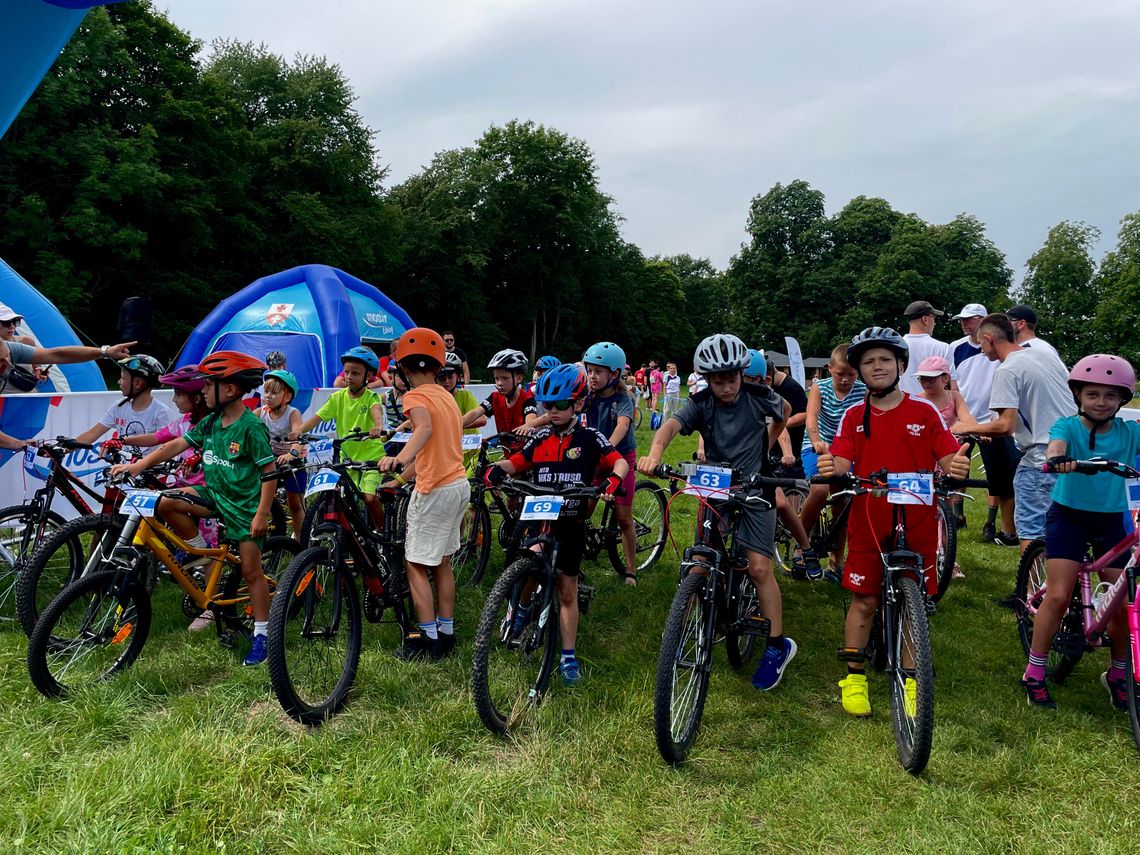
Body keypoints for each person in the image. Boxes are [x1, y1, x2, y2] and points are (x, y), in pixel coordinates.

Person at [816, 327, 969, 717]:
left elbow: (948, 455)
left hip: (917, 515)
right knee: (864, 600)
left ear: (901, 364)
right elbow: (845, 460)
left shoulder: (924, 410)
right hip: (869, 514)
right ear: (860, 370)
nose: (877, 366)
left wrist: (957, 465)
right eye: (868, 361)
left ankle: (914, 679)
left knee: (913, 598)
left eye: (885, 359)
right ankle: (853, 678)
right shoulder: (854, 415)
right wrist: (834, 466)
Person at [638, 333, 797, 692]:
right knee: (700, 561)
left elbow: (784, 413)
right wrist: (655, 454)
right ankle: (691, 622)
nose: (726, 388)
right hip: (716, 487)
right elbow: (669, 427)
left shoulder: (758, 397)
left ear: (742, 374)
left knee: (758, 566)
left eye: (731, 379)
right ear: (707, 379)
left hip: (755, 487)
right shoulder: (702, 402)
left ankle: (777, 646)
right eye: (717, 381)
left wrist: (765, 446)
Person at [111, 352, 277, 665]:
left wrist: (261, 515)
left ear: (230, 390)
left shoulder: (251, 427)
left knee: (252, 572)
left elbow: (269, 475)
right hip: (213, 493)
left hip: (244, 507)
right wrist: (139, 465)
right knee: (165, 500)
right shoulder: (212, 421)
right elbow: (175, 445)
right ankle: (196, 551)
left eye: (209, 384)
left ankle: (262, 636)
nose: (201, 391)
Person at [486, 363, 627, 685]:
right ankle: (520, 611)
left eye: (560, 405)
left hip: (572, 519)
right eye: (546, 406)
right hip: (540, 515)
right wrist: (499, 469)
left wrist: (614, 480)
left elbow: (617, 461)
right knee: (528, 563)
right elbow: (520, 460)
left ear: (578, 403)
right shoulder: (541, 437)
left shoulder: (590, 438)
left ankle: (567, 655)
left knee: (566, 590)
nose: (552, 412)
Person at [1020, 354, 1140, 710]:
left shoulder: (1130, 432)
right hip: (1069, 515)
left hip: (1112, 519)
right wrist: (1060, 458)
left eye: (1109, 395)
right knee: (1057, 595)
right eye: (1092, 395)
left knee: (1122, 601)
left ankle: (1119, 674)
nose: (1101, 402)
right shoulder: (1067, 426)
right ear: (1078, 396)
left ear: (1122, 400)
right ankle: (1035, 672)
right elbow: (1056, 444)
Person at [378, 327, 468, 661]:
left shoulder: (414, 397)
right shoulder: (446, 396)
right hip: (458, 485)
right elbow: (436, 449)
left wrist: (397, 458)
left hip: (435, 491)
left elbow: (424, 432)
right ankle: (446, 632)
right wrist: (401, 479)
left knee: (415, 563)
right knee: (442, 562)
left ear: (402, 367)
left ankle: (428, 640)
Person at [953, 314, 1077, 554]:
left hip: (1041, 458)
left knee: (1033, 534)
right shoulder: (1042, 356)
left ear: (989, 339)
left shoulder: (1007, 369)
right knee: (1065, 529)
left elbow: (1005, 426)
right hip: (1072, 451)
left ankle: (1030, 590)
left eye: (981, 345)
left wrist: (966, 427)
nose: (982, 352)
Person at [744, 349, 819, 580]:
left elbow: (783, 425)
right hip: (740, 459)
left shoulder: (773, 394)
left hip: (765, 456)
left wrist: (786, 452)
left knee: (783, 504)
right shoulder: (733, 396)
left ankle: (806, 549)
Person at [294, 347, 387, 530]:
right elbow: (316, 418)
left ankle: (382, 533)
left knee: (369, 498)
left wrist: (378, 427)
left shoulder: (371, 398)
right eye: (347, 372)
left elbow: (377, 413)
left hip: (371, 459)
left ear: (368, 375)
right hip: (347, 459)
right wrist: (298, 431)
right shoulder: (337, 398)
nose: (349, 377)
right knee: (342, 498)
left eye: (355, 373)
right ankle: (354, 534)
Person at [950, 303, 1017, 543]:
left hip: (993, 420)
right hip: (965, 419)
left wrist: (999, 415)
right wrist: (960, 413)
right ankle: (956, 517)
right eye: (962, 319)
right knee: (957, 470)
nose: (964, 323)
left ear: (982, 320)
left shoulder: (1000, 348)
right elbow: (954, 383)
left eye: (969, 319)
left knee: (996, 475)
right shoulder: (955, 347)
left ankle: (991, 522)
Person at [797, 344, 867, 571]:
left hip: (846, 451)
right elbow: (811, 417)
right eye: (840, 374)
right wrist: (816, 440)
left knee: (844, 500)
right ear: (829, 369)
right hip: (817, 447)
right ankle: (802, 543)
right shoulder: (821, 387)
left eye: (851, 374)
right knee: (818, 489)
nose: (846, 379)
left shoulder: (863, 391)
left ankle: (837, 559)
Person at [581, 342, 640, 585]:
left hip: (621, 457)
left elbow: (623, 425)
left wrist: (606, 448)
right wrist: (533, 425)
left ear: (614, 374)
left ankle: (631, 569)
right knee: (581, 509)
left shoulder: (622, 398)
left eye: (598, 371)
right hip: (597, 457)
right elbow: (563, 412)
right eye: (590, 370)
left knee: (624, 517)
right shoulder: (588, 396)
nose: (592, 376)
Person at [74, 355, 175, 444]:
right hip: (122, 465)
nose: (118, 381)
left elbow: (167, 446)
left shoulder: (162, 413)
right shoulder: (118, 407)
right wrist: (64, 448)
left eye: (123, 378)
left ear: (137, 383)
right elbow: (92, 433)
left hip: (149, 465)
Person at [255, 369, 306, 539]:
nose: (268, 396)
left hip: (293, 462)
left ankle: (301, 540)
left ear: (287, 397)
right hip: (271, 462)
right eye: (266, 391)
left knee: (296, 505)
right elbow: (244, 427)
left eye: (274, 392)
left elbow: (299, 440)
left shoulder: (293, 413)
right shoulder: (260, 412)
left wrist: (291, 454)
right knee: (259, 497)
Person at [462, 349, 543, 437]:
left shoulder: (527, 399)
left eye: (505, 378)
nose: (500, 383)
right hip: (502, 448)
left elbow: (531, 419)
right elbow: (474, 413)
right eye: (496, 378)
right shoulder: (494, 397)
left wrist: (528, 427)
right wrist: (456, 424)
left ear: (519, 378)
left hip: (524, 449)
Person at [437, 350, 485, 471]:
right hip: (446, 453)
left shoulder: (465, 395)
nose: (446, 382)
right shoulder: (434, 399)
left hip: (470, 451)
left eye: (450, 377)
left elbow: (482, 420)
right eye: (442, 378)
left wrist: (455, 425)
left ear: (458, 376)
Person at [898, 300, 955, 396]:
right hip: (933, 407)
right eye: (933, 318)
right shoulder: (943, 348)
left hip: (901, 406)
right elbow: (952, 387)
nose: (935, 323)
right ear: (925, 319)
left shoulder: (896, 347)